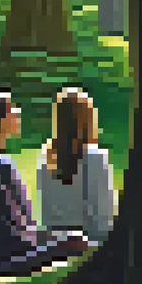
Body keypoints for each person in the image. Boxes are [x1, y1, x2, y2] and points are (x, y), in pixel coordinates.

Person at [0, 87, 89, 276]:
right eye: (11, 110)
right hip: (4, 258)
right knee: (77, 240)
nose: (17, 113)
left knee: (67, 237)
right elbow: (19, 233)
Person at [36, 88, 117, 244]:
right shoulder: (95, 157)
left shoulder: (47, 156)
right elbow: (102, 218)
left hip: (52, 244)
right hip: (86, 245)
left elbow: (46, 214)